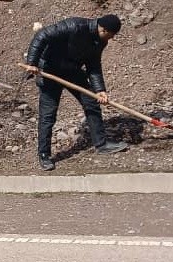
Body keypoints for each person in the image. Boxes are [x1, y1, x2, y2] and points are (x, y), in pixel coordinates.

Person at [23, 14, 129, 171]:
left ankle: (101, 144)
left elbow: (93, 66)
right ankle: (44, 155)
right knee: (48, 115)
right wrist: (32, 62)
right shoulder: (74, 25)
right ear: (103, 29)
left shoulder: (100, 41)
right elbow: (42, 35)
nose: (111, 39)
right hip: (49, 70)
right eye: (111, 35)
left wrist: (100, 90)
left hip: (72, 71)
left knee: (91, 102)